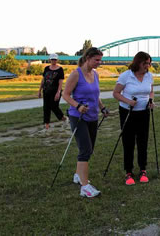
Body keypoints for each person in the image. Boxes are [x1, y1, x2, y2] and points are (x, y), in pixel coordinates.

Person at [62, 47, 109, 198]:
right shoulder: (76, 74)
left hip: (93, 116)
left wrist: (102, 108)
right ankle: (85, 186)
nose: (99, 63)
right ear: (88, 58)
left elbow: (96, 95)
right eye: (97, 60)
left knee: (89, 149)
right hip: (78, 117)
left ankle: (78, 175)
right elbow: (66, 94)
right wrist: (78, 106)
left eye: (100, 60)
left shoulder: (95, 74)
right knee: (85, 150)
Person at [113, 51, 155, 186]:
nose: (147, 66)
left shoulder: (149, 76)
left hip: (144, 112)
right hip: (128, 112)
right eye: (145, 63)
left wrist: (151, 101)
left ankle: (143, 170)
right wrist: (128, 101)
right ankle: (128, 172)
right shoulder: (126, 76)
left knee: (142, 141)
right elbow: (116, 93)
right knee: (128, 142)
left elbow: (151, 91)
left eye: (149, 63)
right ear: (138, 63)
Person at [38, 53, 67, 130]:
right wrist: (39, 90)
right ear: (50, 60)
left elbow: (60, 82)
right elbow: (43, 80)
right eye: (52, 59)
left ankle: (63, 118)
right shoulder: (46, 68)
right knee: (46, 107)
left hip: (55, 91)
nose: (53, 61)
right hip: (46, 90)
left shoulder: (60, 70)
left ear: (57, 60)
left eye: (55, 59)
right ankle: (46, 125)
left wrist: (58, 92)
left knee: (54, 107)